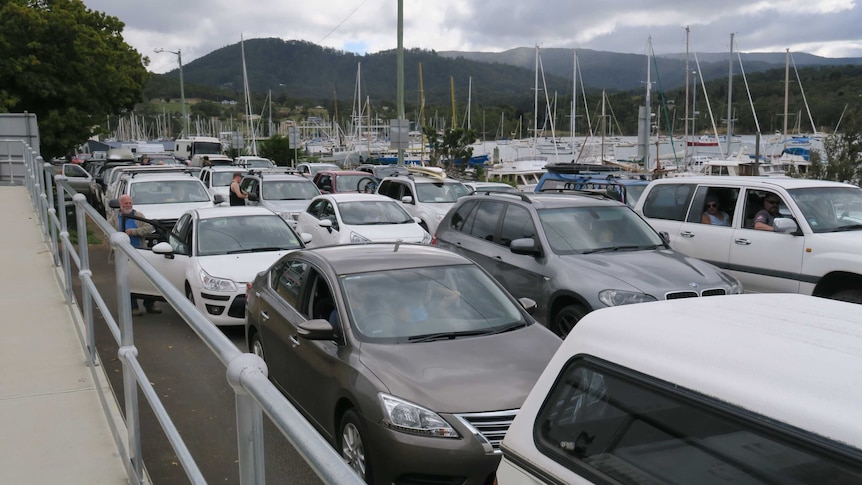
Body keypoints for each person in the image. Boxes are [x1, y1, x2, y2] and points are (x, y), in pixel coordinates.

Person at [107, 194, 161, 316]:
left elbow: (149, 228)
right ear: (120, 204)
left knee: (146, 278)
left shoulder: (139, 216)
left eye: (130, 203)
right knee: (127, 280)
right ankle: (133, 307)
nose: (128, 205)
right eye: (126, 203)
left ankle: (149, 304)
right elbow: (107, 233)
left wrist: (134, 232)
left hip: (140, 252)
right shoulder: (114, 219)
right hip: (123, 255)